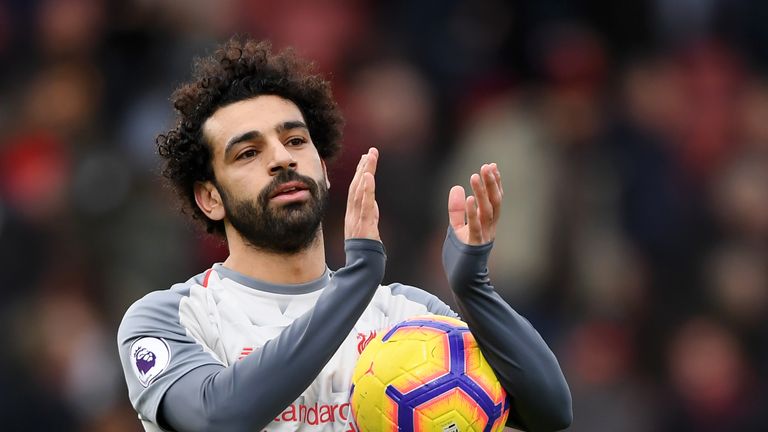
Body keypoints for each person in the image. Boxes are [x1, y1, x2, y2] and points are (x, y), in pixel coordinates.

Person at [117, 36, 572, 432]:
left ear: (324, 168)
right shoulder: (169, 319)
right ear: (209, 197)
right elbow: (218, 419)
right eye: (248, 152)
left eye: (296, 141)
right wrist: (357, 281)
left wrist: (476, 289)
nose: (282, 159)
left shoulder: (405, 317)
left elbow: (549, 412)